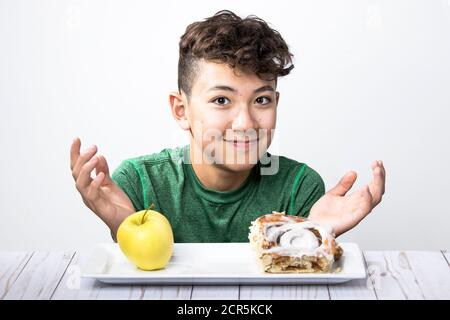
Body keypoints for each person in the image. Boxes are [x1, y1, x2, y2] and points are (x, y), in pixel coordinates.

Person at [69, 10, 385, 242]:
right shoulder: (139, 184)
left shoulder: (299, 189)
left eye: (262, 100)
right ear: (181, 110)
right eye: (222, 100)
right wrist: (124, 228)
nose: (246, 123)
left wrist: (312, 233)